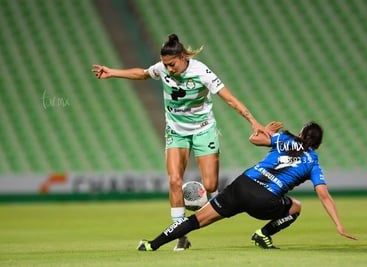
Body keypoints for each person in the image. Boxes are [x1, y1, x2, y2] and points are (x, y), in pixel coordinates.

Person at [92, 34, 268, 250]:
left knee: (211, 185)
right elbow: (143, 73)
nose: (169, 69)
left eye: (172, 64)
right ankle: (180, 235)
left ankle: (197, 200)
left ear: (183, 57)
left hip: (204, 130)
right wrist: (113, 72)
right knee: (175, 180)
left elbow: (229, 98)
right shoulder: (163, 68)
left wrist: (252, 120)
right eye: (165, 64)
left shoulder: (202, 72)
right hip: (176, 130)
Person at [137, 121, 358, 251]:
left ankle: (151, 245)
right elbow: (324, 196)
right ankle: (263, 234)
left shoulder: (284, 139)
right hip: (264, 202)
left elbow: (253, 139)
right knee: (295, 206)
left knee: (196, 220)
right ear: (318, 144)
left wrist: (265, 131)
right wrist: (339, 225)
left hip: (242, 185)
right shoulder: (313, 163)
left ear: (301, 134)